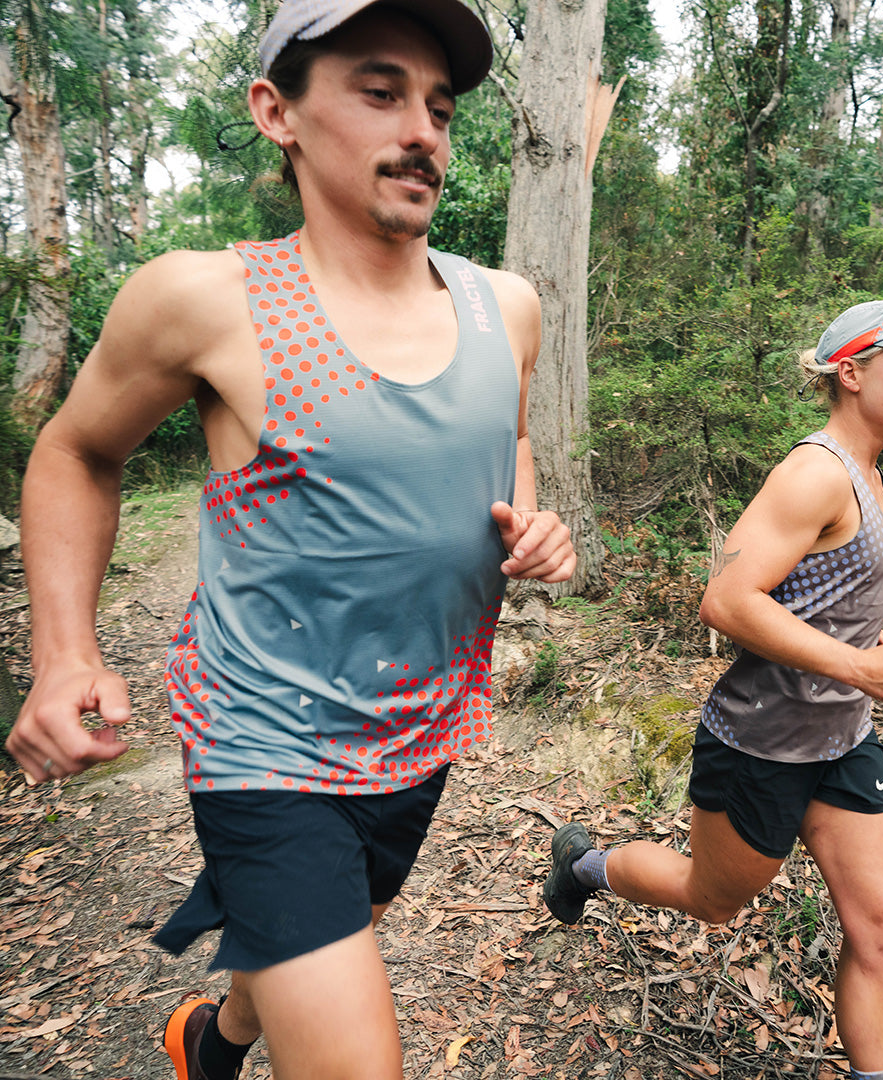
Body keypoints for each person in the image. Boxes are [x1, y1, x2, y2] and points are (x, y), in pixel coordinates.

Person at [6, 0, 576, 1076]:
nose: (423, 131)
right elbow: (76, 453)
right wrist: (64, 653)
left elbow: (506, 440)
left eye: (440, 107)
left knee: (347, 912)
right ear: (278, 111)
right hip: (263, 739)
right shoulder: (206, 300)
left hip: (422, 726)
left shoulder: (506, 307)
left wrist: (532, 522)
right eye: (379, 91)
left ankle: (211, 1043)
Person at [543, 300, 883, 1080]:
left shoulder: (873, 473)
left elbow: (816, 599)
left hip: (842, 741)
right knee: (710, 899)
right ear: (852, 371)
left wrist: (872, 646)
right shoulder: (816, 472)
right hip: (762, 744)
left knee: (881, 929)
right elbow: (728, 600)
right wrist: (860, 668)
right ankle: (582, 865)